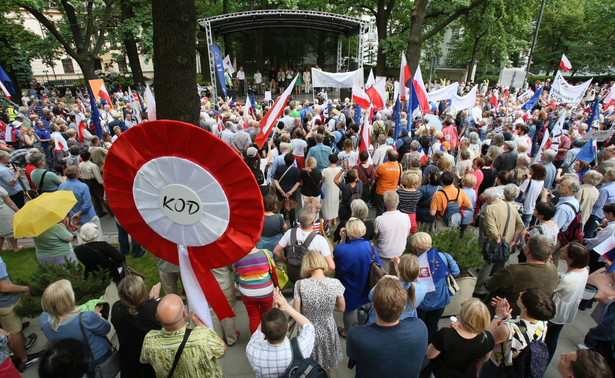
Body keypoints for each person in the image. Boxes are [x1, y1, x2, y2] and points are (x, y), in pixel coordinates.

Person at [346, 277, 428, 378]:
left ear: (373, 305)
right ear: (403, 307)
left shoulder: (356, 335)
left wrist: (382, 280)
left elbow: (350, 360)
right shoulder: (419, 328)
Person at [40, 280, 113, 378]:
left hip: (72, 361)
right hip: (97, 357)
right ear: (69, 300)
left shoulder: (44, 319)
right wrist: (98, 315)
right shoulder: (87, 318)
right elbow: (106, 329)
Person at [140, 294, 226, 377]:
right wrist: (205, 328)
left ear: (156, 317)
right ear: (184, 314)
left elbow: (144, 359)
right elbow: (222, 350)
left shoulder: (149, 341)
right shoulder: (203, 337)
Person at [480, 288, 555, 377]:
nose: (520, 292)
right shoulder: (542, 323)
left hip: (497, 368)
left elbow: (485, 340)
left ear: (524, 308)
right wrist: (507, 318)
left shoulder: (507, 329)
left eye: (522, 295)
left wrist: (498, 317)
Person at [293, 250, 345, 371]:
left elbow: (296, 312)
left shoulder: (300, 284)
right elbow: (342, 308)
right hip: (328, 328)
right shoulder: (335, 283)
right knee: (327, 364)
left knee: (308, 365)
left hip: (308, 329)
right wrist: (327, 307)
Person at [246, 288, 315, 377]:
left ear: (263, 329)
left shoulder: (252, 349)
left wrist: (272, 310)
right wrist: (287, 307)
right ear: (287, 326)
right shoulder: (301, 347)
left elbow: (257, 333)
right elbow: (309, 326)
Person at [484, 235, 559, 317]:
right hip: (530, 316)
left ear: (527, 250)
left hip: (502, 313)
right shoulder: (553, 270)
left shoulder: (514, 271)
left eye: (527, 244)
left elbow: (490, 284)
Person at [333, 218, 382, 337]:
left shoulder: (341, 249)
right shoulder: (370, 246)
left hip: (348, 285)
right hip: (365, 283)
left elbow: (334, 261)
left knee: (349, 310)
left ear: (348, 232)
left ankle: (347, 332)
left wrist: (342, 240)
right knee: (364, 308)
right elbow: (380, 264)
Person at [425, 298, 495, 378]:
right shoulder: (487, 338)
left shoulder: (446, 334)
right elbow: (485, 359)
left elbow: (430, 355)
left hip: (441, 374)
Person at [544, 242, 589, 362]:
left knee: (547, 337)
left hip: (556, 311)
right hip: (566, 311)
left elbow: (552, 287)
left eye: (565, 250)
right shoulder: (583, 270)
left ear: (571, 259)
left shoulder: (568, 279)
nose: (562, 249)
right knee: (553, 337)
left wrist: (549, 268)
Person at [111, 276, 161, 378]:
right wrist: (154, 301)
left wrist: (150, 301)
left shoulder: (117, 310)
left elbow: (136, 309)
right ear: (142, 291)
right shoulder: (153, 309)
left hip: (129, 362)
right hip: (151, 362)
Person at [413, 232, 460, 340]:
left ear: (416, 248)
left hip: (422, 302)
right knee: (433, 325)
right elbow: (456, 272)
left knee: (420, 326)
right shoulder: (444, 257)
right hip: (440, 299)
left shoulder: (414, 263)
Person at [0, 255, 37, 373]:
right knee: (13, 330)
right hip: (5, 302)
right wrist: (25, 288)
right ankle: (23, 359)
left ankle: (24, 343)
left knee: (15, 325)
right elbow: (4, 287)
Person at [367, 254, 426, 324]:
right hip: (405, 323)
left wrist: (383, 279)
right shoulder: (423, 288)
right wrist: (400, 268)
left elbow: (371, 296)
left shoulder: (387, 288)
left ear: (399, 273)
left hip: (380, 323)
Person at [58, 166, 103, 244]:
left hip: (74, 218)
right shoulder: (83, 186)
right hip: (88, 217)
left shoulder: (62, 187)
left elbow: (62, 203)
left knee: (81, 237)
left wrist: (68, 215)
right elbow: (87, 204)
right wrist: (79, 213)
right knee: (97, 237)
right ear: (77, 175)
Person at [235, 247, 274, 334]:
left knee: (253, 318)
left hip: (247, 294)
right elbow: (273, 267)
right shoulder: (267, 253)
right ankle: (267, 337)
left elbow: (236, 271)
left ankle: (255, 340)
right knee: (266, 316)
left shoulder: (237, 256)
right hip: (266, 292)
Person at [373, 191, 411, 273]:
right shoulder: (406, 217)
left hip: (383, 253)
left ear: (385, 204)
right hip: (399, 252)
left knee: (384, 277)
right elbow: (407, 234)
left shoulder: (379, 219)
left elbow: (375, 236)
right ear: (398, 202)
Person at [273, 152, 300, 226]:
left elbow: (275, 180)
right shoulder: (295, 170)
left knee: (281, 209)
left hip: (281, 192)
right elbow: (297, 183)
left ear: (285, 160)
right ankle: (293, 226)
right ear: (293, 161)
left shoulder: (279, 168)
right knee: (292, 209)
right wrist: (290, 192)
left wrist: (280, 190)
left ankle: (281, 225)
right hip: (292, 192)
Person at [374, 149, 401, 216]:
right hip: (393, 192)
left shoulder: (382, 166)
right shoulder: (399, 166)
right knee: (391, 212)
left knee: (380, 211)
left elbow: (376, 177)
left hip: (381, 192)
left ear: (387, 157)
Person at [321, 154, 342, 225]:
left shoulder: (325, 170)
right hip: (336, 188)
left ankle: (328, 221)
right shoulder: (340, 170)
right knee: (335, 203)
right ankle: (335, 220)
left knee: (327, 204)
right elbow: (341, 179)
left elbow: (322, 180)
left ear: (329, 161)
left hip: (327, 189)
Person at [0, 185, 20, 252]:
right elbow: (9, 202)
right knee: (10, 232)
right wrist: (18, 210)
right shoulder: (0, 189)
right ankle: (15, 248)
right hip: (3, 213)